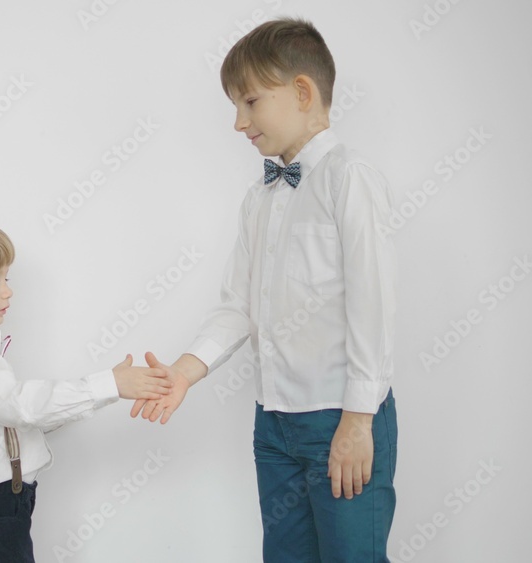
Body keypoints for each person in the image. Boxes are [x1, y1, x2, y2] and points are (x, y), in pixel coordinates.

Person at [131, 18, 399, 562]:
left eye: (249, 102)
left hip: (339, 418)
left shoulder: (349, 178)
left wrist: (358, 418)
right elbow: (237, 306)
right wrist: (184, 370)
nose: (238, 123)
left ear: (302, 92)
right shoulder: (261, 197)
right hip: (273, 423)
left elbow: (373, 302)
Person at [0, 218, 171, 562]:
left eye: (7, 279)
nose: (8, 291)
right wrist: (109, 384)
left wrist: (106, 391)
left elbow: (23, 418)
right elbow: (24, 407)